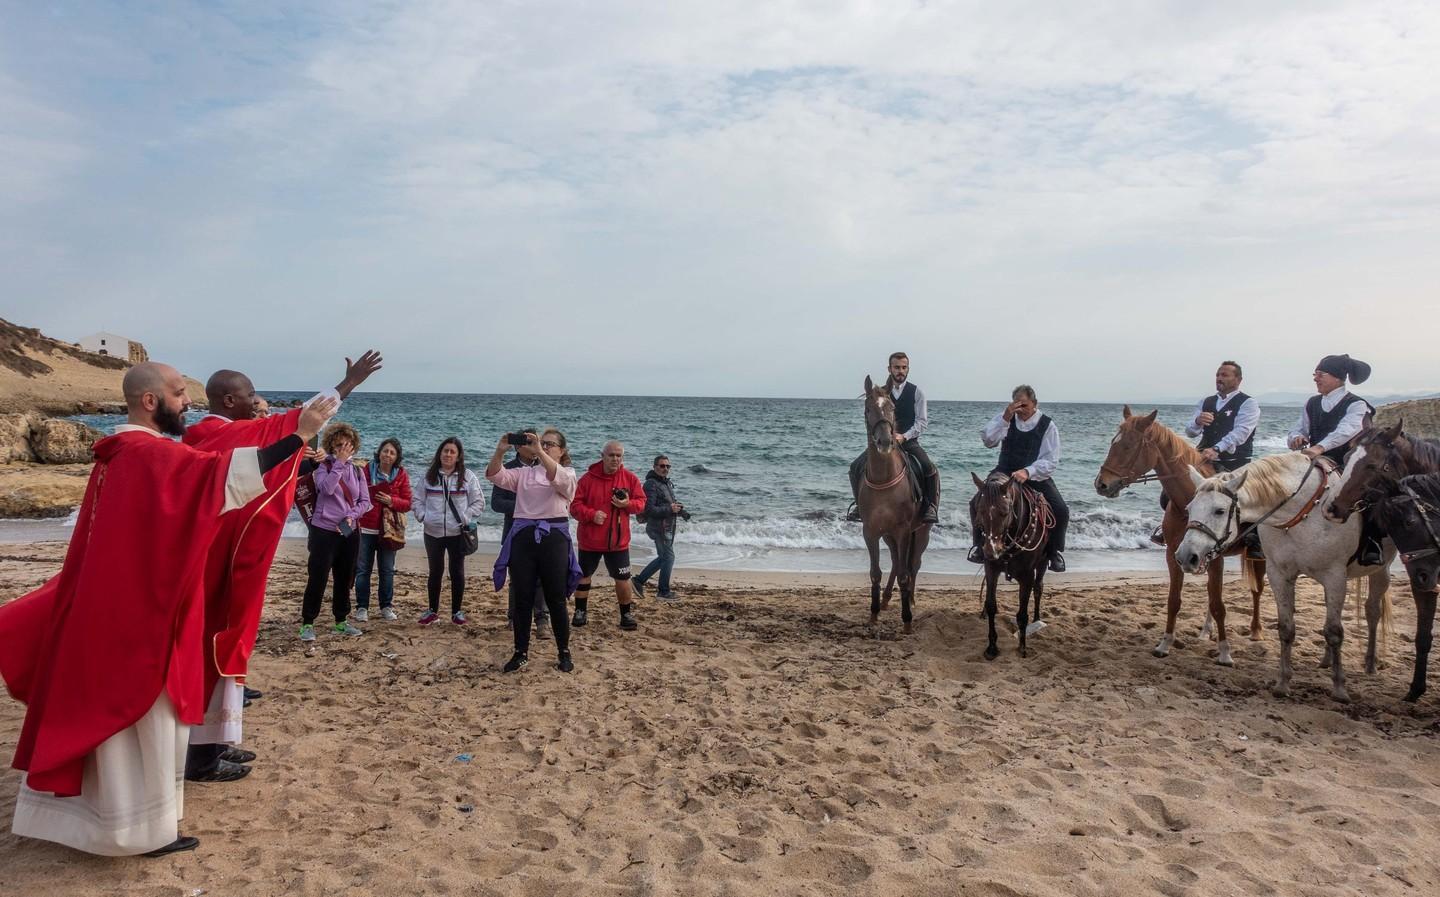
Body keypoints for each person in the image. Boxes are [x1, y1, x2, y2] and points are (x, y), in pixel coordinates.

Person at [0, 362, 336, 856]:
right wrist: (298, 436)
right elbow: (222, 480)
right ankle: (134, 833)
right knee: (147, 723)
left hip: (121, 604)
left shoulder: (123, 453)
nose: (188, 403)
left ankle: (109, 825)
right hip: (142, 615)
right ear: (151, 401)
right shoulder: (145, 453)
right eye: (180, 394)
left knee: (126, 728)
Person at [180, 352, 380, 783]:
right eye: (251, 393)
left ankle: (212, 748)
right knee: (217, 645)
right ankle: (201, 758)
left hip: (224, 555)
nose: (258, 401)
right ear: (230, 400)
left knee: (223, 647)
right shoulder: (224, 435)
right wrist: (346, 386)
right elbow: (299, 421)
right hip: (225, 560)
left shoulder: (213, 435)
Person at [487, 428, 582, 672]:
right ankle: (520, 652)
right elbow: (494, 475)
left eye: (551, 444)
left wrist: (539, 450)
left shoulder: (568, 473)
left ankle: (564, 651)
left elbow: (560, 481)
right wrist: (500, 449)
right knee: (522, 598)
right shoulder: (524, 473)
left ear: (561, 451)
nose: (545, 446)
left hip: (554, 539)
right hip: (524, 538)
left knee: (556, 599)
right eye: (543, 443)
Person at [1151, 360, 1262, 546]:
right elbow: (1190, 432)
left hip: (1235, 460)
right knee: (1169, 492)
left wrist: (1218, 448)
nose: (1219, 378)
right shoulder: (1207, 402)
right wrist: (1197, 421)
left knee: (1247, 498)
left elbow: (1241, 432)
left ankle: (1253, 538)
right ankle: (1169, 529)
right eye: (1218, 375)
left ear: (1238, 379)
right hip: (1202, 458)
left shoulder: (1248, 403)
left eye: (1225, 375)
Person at [1288, 353, 1382, 565]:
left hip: (1347, 462)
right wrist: (1296, 438)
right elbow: (1298, 427)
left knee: (1370, 494)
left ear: (1338, 378)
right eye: (1315, 373)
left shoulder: (1357, 404)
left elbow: (1346, 430)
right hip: (1312, 460)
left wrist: (1319, 448)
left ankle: (1372, 544)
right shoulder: (1311, 403)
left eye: (1321, 373)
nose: (1316, 378)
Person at [968, 385, 1070, 572]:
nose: (1020, 410)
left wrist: (1028, 471)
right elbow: (989, 441)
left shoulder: (1047, 425)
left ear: (1035, 403)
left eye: (1025, 405)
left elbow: (1051, 460)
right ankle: (979, 547)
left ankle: (1054, 553)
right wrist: (1005, 418)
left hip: (1034, 474)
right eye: (1017, 405)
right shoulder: (1006, 418)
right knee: (976, 502)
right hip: (1004, 472)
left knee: (1061, 510)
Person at [848, 352, 939, 524]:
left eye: (904, 367)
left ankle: (930, 507)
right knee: (854, 467)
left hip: (908, 442)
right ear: (889, 369)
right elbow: (871, 419)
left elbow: (922, 422)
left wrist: (904, 437)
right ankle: (860, 507)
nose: (900, 371)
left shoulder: (917, 392)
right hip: (883, 443)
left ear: (908, 369)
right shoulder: (879, 394)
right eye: (897, 367)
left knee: (929, 468)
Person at [300, 422, 371, 640]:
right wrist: (338, 464)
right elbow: (327, 489)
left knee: (344, 577)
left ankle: (341, 621)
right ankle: (307, 623)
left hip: (348, 531)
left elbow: (365, 501)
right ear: (332, 446)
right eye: (339, 445)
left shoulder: (358, 470)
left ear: (354, 446)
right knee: (318, 577)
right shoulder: (325, 467)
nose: (344, 449)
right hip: (324, 531)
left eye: (347, 445)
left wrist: (352, 516)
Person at [570, 440, 647, 631]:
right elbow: (574, 507)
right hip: (590, 540)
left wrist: (626, 505)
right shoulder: (587, 479)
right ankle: (581, 612)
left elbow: (641, 504)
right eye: (611, 455)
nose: (615, 459)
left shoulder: (630, 479)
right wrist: (591, 515)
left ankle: (626, 614)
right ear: (602, 456)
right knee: (584, 576)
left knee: (623, 578)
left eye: (619, 455)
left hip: (618, 542)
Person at [412, 437, 485, 625]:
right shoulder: (429, 476)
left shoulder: (468, 476)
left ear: (459, 456)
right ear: (440, 453)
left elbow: (479, 502)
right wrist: (423, 516)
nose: (448, 454)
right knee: (435, 571)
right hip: (432, 532)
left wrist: (465, 517)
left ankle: (456, 612)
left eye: (453, 452)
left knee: (457, 571)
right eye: (445, 451)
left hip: (456, 533)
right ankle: (432, 611)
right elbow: (417, 500)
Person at [490, 428, 552, 639]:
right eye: (528, 442)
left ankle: (542, 620)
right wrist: (525, 505)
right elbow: (496, 503)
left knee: (542, 577)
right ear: (518, 446)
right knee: (517, 578)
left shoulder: (546, 467)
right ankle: (513, 616)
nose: (535, 446)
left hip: (541, 531)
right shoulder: (507, 469)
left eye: (538, 442)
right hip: (515, 531)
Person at [354, 438, 412, 623]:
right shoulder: (366, 470)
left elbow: (408, 503)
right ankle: (362, 607)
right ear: (379, 452)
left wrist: (391, 501)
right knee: (363, 570)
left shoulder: (401, 475)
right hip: (366, 527)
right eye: (385, 451)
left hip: (389, 531)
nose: (388, 455)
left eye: (392, 452)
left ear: (397, 457)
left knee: (387, 570)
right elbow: (355, 495)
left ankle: (386, 606)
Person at [632, 454, 688, 602]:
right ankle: (663, 591)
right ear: (655, 467)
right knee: (668, 557)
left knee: (664, 557)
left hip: (667, 527)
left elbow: (667, 504)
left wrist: (681, 511)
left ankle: (639, 581)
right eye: (662, 466)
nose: (665, 469)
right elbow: (649, 510)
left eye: (668, 466)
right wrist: (670, 509)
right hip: (659, 528)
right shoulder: (651, 484)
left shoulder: (666, 483)